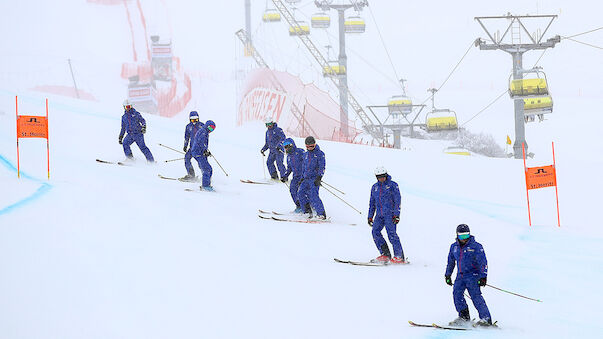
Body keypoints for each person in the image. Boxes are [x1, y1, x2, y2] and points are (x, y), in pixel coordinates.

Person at [445, 224, 493, 327]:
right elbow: (451, 262)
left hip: (473, 276)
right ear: (457, 235)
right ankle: (464, 316)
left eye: (466, 236)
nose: (464, 239)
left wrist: (483, 276)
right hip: (460, 276)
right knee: (457, 295)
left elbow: (483, 262)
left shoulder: (476, 247)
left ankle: (486, 319)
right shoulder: (454, 247)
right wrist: (448, 275)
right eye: (462, 236)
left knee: (476, 297)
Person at [367, 166, 405, 264]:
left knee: (391, 234)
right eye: (379, 177)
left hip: (390, 214)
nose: (381, 178)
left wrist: (396, 214)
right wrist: (370, 216)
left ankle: (399, 256)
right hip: (379, 215)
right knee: (375, 232)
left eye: (383, 176)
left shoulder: (393, 185)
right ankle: (385, 254)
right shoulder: (375, 187)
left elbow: (397, 201)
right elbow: (372, 202)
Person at [297, 136, 326, 219]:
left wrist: (319, 177)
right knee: (300, 193)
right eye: (307, 147)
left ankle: (321, 214)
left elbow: (322, 166)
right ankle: (307, 211)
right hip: (306, 178)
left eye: (311, 146)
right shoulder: (305, 155)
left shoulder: (319, 154)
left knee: (314, 195)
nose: (309, 148)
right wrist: (302, 177)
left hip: (314, 179)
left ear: (315, 144)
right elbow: (304, 167)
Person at [280, 138, 306, 213]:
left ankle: (308, 207)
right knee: (292, 190)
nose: (287, 148)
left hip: (303, 176)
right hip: (296, 176)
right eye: (285, 147)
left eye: (288, 145)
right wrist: (285, 176)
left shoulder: (300, 152)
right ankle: (299, 206)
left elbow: (307, 162)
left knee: (303, 192)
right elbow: (289, 168)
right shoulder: (288, 157)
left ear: (292, 145)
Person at [191, 120, 216, 191]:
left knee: (207, 168)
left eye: (213, 129)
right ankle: (205, 186)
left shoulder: (204, 131)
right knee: (207, 169)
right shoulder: (203, 132)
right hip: (198, 153)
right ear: (207, 126)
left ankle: (207, 184)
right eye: (210, 128)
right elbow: (200, 142)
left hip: (199, 152)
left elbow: (202, 144)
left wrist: (206, 151)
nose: (211, 130)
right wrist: (205, 150)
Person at [181, 111, 203, 181]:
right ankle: (191, 175)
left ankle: (205, 175)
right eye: (193, 120)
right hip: (192, 148)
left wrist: (205, 148)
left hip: (199, 148)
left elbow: (205, 137)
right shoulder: (188, 127)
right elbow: (186, 137)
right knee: (187, 158)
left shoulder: (201, 126)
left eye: (196, 120)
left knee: (201, 161)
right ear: (190, 119)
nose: (194, 122)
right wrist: (185, 145)